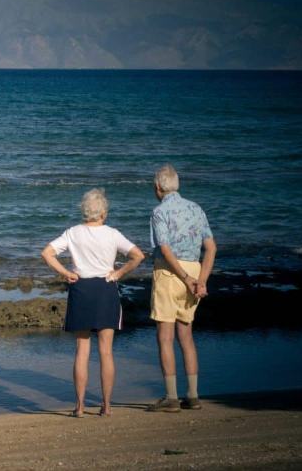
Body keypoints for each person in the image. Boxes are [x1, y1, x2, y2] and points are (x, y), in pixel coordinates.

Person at [41, 189, 144, 418]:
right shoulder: (112, 234)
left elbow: (47, 253)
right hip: (106, 289)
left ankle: (79, 407)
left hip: (81, 289)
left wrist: (66, 272)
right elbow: (138, 256)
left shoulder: (73, 232)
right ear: (104, 213)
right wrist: (119, 273)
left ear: (85, 212)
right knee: (106, 352)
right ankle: (106, 405)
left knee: (81, 352)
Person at [147, 165, 216, 413]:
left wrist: (185, 278)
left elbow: (164, 249)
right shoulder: (196, 209)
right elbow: (211, 248)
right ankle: (193, 395)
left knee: (165, 337)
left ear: (158, 187)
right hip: (195, 271)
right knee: (186, 336)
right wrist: (202, 280)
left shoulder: (159, 212)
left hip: (169, 272)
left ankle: (171, 397)